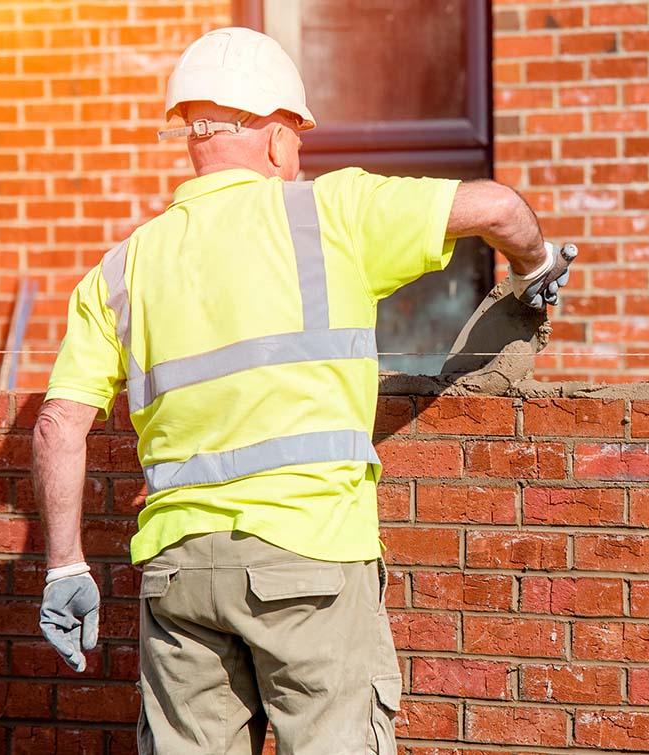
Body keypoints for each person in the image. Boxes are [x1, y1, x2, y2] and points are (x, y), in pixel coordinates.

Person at [33, 26, 576, 755]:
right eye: (297, 136)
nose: (300, 156)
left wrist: (65, 565)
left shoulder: (121, 269)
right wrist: (537, 267)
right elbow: (500, 210)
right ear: (272, 133)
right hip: (310, 557)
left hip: (179, 576)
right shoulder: (330, 214)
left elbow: (59, 423)